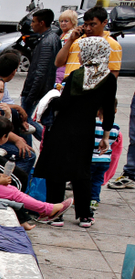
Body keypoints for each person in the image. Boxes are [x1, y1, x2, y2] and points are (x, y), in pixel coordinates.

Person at [33, 37, 118, 228]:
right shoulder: (109, 79)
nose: (79, 56)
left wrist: (51, 99)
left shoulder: (76, 76)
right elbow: (108, 110)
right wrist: (105, 137)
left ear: (89, 54)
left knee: (56, 170)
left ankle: (56, 213)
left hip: (63, 128)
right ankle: (84, 215)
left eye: (81, 52)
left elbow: (63, 104)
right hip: (85, 130)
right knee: (81, 172)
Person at [0, 116, 71, 226]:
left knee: (13, 190)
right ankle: (47, 209)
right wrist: (0, 182)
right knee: (14, 194)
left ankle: (38, 212)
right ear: (3, 137)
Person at [55, 7, 122, 80]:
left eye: (92, 25)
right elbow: (58, 63)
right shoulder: (77, 40)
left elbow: (114, 72)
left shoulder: (111, 44)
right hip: (69, 85)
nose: (88, 29)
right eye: (86, 25)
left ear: (104, 22)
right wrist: (71, 40)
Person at [20, 8, 60, 119]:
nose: (31, 25)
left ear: (42, 23)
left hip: (36, 90)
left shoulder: (47, 41)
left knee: (24, 122)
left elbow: (41, 71)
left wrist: (31, 95)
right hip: (39, 89)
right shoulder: (52, 38)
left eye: (33, 21)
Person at [90, 101, 121, 209]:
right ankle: (94, 200)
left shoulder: (94, 125)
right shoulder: (116, 127)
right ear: (115, 111)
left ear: (98, 112)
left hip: (91, 158)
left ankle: (82, 198)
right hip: (105, 160)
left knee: (87, 180)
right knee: (98, 180)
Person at [54, 10, 79, 85]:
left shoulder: (71, 35)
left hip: (64, 67)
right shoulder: (63, 34)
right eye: (61, 21)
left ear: (73, 22)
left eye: (66, 21)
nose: (63, 23)